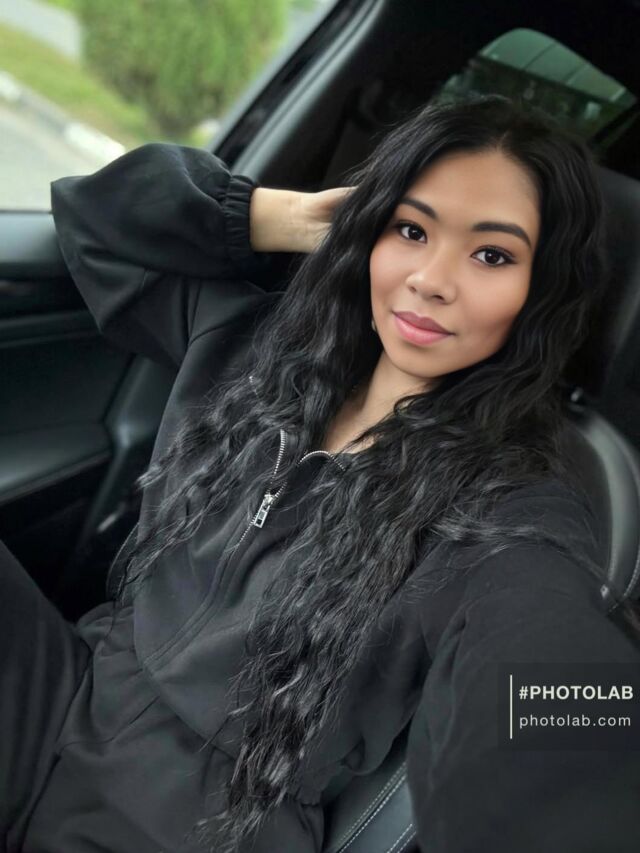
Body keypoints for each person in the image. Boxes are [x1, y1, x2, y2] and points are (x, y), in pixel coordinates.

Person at [2, 94, 640, 853]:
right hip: (70, 692)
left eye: (492, 255)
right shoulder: (257, 346)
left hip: (202, 825)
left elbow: (549, 661)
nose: (431, 279)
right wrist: (289, 217)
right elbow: (93, 215)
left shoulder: (507, 508)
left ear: (541, 292)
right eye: (411, 229)